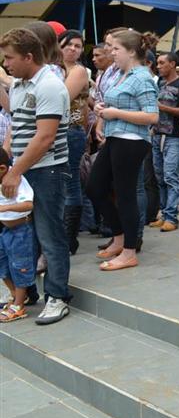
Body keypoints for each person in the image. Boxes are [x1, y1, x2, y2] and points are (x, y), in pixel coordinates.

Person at [0, 28, 71, 325]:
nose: (6, 64)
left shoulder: (50, 85)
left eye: (9, 58)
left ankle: (57, 296)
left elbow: (45, 137)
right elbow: (16, 122)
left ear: (28, 57)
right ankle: (26, 293)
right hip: (25, 169)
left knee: (50, 235)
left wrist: (14, 172)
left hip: (48, 170)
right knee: (24, 236)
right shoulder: (20, 84)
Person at [86, 29, 159, 271]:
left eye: (116, 49)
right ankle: (119, 238)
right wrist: (102, 109)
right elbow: (117, 103)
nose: (111, 52)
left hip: (131, 141)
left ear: (131, 52)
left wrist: (115, 113)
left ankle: (129, 251)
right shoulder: (120, 73)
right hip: (115, 138)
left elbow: (152, 116)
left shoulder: (142, 77)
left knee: (125, 194)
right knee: (95, 187)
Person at [148, 52, 179, 232]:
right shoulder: (159, 83)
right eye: (157, 63)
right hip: (157, 134)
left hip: (174, 136)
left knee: (170, 175)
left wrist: (163, 108)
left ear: (172, 64)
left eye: (161, 63)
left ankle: (172, 217)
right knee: (160, 176)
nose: (158, 66)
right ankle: (165, 214)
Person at [57, 29, 91, 255]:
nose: (72, 49)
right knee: (61, 182)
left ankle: (70, 238)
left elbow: (61, 98)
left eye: (77, 46)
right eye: (68, 44)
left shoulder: (78, 71)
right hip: (56, 130)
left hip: (71, 130)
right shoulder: (53, 68)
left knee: (70, 182)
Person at [0, 148, 35, 323]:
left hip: (21, 230)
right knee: (2, 264)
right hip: (4, 230)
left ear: (2, 168)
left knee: (20, 265)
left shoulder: (17, 180)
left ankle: (18, 305)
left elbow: (28, 205)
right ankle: (16, 295)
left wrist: (5, 208)